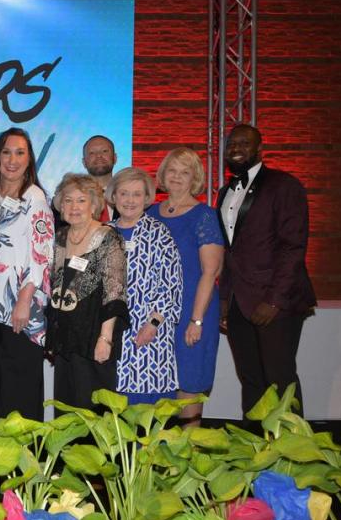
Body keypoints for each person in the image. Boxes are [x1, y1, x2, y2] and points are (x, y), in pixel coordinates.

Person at [217, 124, 316, 416]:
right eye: (231, 144)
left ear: (260, 149)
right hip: (237, 302)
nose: (236, 148)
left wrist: (274, 300)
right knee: (251, 379)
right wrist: (224, 301)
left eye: (244, 143)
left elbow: (293, 248)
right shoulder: (225, 192)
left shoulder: (284, 185)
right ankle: (255, 447)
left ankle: (291, 453)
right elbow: (229, 251)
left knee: (280, 377)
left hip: (275, 302)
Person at [0, 128, 54, 432]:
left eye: (20, 152)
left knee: (18, 385)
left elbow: (41, 252)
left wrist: (24, 300)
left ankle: (21, 468)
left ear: (29, 158)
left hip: (21, 305)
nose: (12, 159)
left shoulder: (34, 196)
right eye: (7, 152)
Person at [147, 148, 224, 424]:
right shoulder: (150, 213)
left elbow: (210, 271)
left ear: (195, 178)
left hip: (192, 309)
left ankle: (188, 457)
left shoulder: (204, 216)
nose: (177, 177)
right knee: (156, 385)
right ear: (163, 175)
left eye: (185, 172)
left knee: (188, 382)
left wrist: (197, 320)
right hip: (156, 316)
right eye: (172, 171)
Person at [45, 174, 128, 410]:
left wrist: (105, 338)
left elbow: (115, 292)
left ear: (94, 205)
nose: (74, 207)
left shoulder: (108, 237)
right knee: (66, 407)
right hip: (65, 337)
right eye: (68, 200)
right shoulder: (60, 237)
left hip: (94, 336)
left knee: (92, 407)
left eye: (81, 200)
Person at [108, 167, 182, 404]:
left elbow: (171, 286)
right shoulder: (103, 232)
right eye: (124, 193)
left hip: (149, 330)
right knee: (112, 405)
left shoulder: (160, 233)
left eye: (137, 194)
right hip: (110, 333)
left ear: (147, 198)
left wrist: (152, 325)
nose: (130, 200)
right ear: (114, 196)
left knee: (148, 410)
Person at [82, 135, 119, 222]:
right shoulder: (68, 199)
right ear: (84, 162)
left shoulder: (130, 195)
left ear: (115, 158)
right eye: (92, 153)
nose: (99, 155)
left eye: (104, 151)